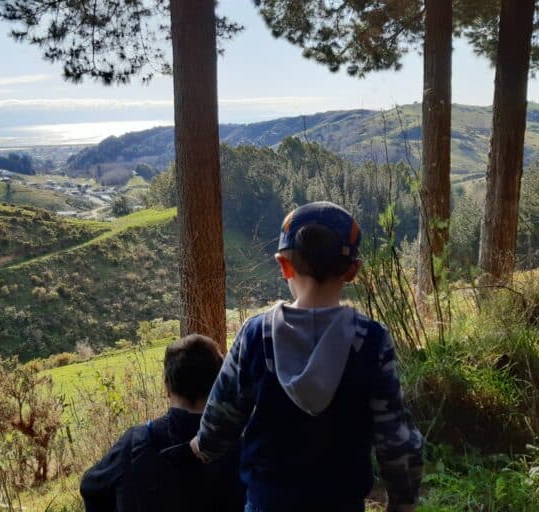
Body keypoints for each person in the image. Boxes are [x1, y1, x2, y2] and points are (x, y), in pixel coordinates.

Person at [190, 201, 424, 512]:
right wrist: (401, 503)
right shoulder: (372, 341)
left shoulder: (255, 336)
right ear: (353, 270)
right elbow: (396, 440)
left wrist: (200, 447)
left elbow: (218, 426)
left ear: (283, 265)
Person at [80, 334, 245, 512]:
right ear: (219, 383)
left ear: (167, 387)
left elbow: (90, 488)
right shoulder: (243, 440)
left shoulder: (135, 443)